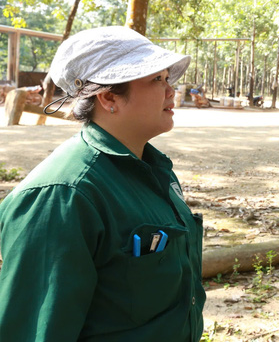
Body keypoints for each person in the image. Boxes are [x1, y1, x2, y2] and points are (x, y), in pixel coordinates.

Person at [0, 26, 206, 341]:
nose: (171, 91)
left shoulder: (153, 169)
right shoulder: (62, 197)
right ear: (109, 96)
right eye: (156, 79)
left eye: (168, 79)